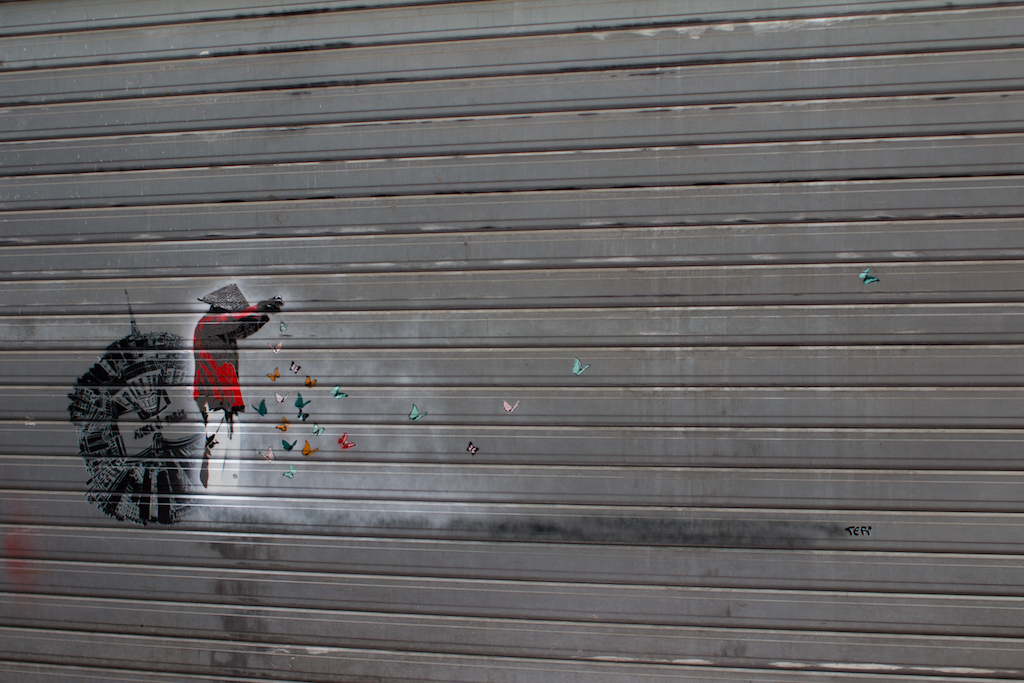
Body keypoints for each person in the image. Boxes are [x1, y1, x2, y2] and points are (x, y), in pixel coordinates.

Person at [193, 284, 283, 488]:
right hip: (213, 396)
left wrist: (263, 314)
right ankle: (212, 491)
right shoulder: (208, 323)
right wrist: (258, 308)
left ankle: (227, 490)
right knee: (217, 444)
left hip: (226, 396)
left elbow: (243, 328)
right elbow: (234, 321)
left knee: (232, 443)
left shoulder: (221, 329)